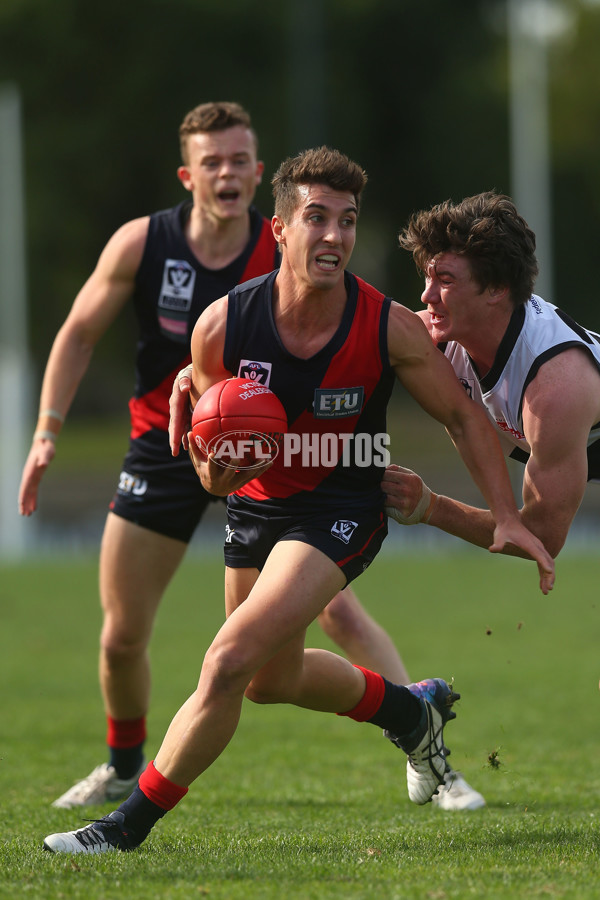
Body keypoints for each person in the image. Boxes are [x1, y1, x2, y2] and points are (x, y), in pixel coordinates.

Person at [42, 147, 554, 854]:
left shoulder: (386, 327)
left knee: (225, 663)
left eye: (347, 221)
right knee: (266, 681)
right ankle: (411, 714)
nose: (336, 236)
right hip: (257, 509)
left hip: (343, 506)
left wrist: (502, 512)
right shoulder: (223, 327)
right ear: (280, 230)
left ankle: (124, 828)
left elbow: (463, 417)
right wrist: (216, 476)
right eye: (317, 218)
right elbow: (210, 467)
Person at [17, 100, 463, 812]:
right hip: (165, 447)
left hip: (282, 453)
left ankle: (424, 745)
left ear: (259, 176)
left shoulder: (292, 243)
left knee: (334, 618)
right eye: (212, 162)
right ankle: (123, 765)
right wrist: (46, 432)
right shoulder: (144, 243)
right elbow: (76, 334)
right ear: (187, 174)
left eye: (239, 162)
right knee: (123, 634)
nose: (227, 173)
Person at [382, 190, 600, 565]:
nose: (426, 295)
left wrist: (430, 507)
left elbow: (542, 538)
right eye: (428, 277)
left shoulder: (555, 388)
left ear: (498, 289)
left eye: (445, 280)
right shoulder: (434, 333)